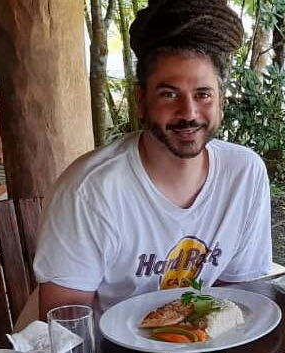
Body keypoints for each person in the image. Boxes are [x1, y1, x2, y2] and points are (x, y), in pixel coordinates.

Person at [33, 0, 272, 318]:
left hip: (200, 346)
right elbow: (66, 328)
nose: (188, 113)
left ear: (220, 102)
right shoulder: (89, 192)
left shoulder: (245, 173)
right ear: (141, 101)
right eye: (169, 94)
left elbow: (239, 298)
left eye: (203, 94)